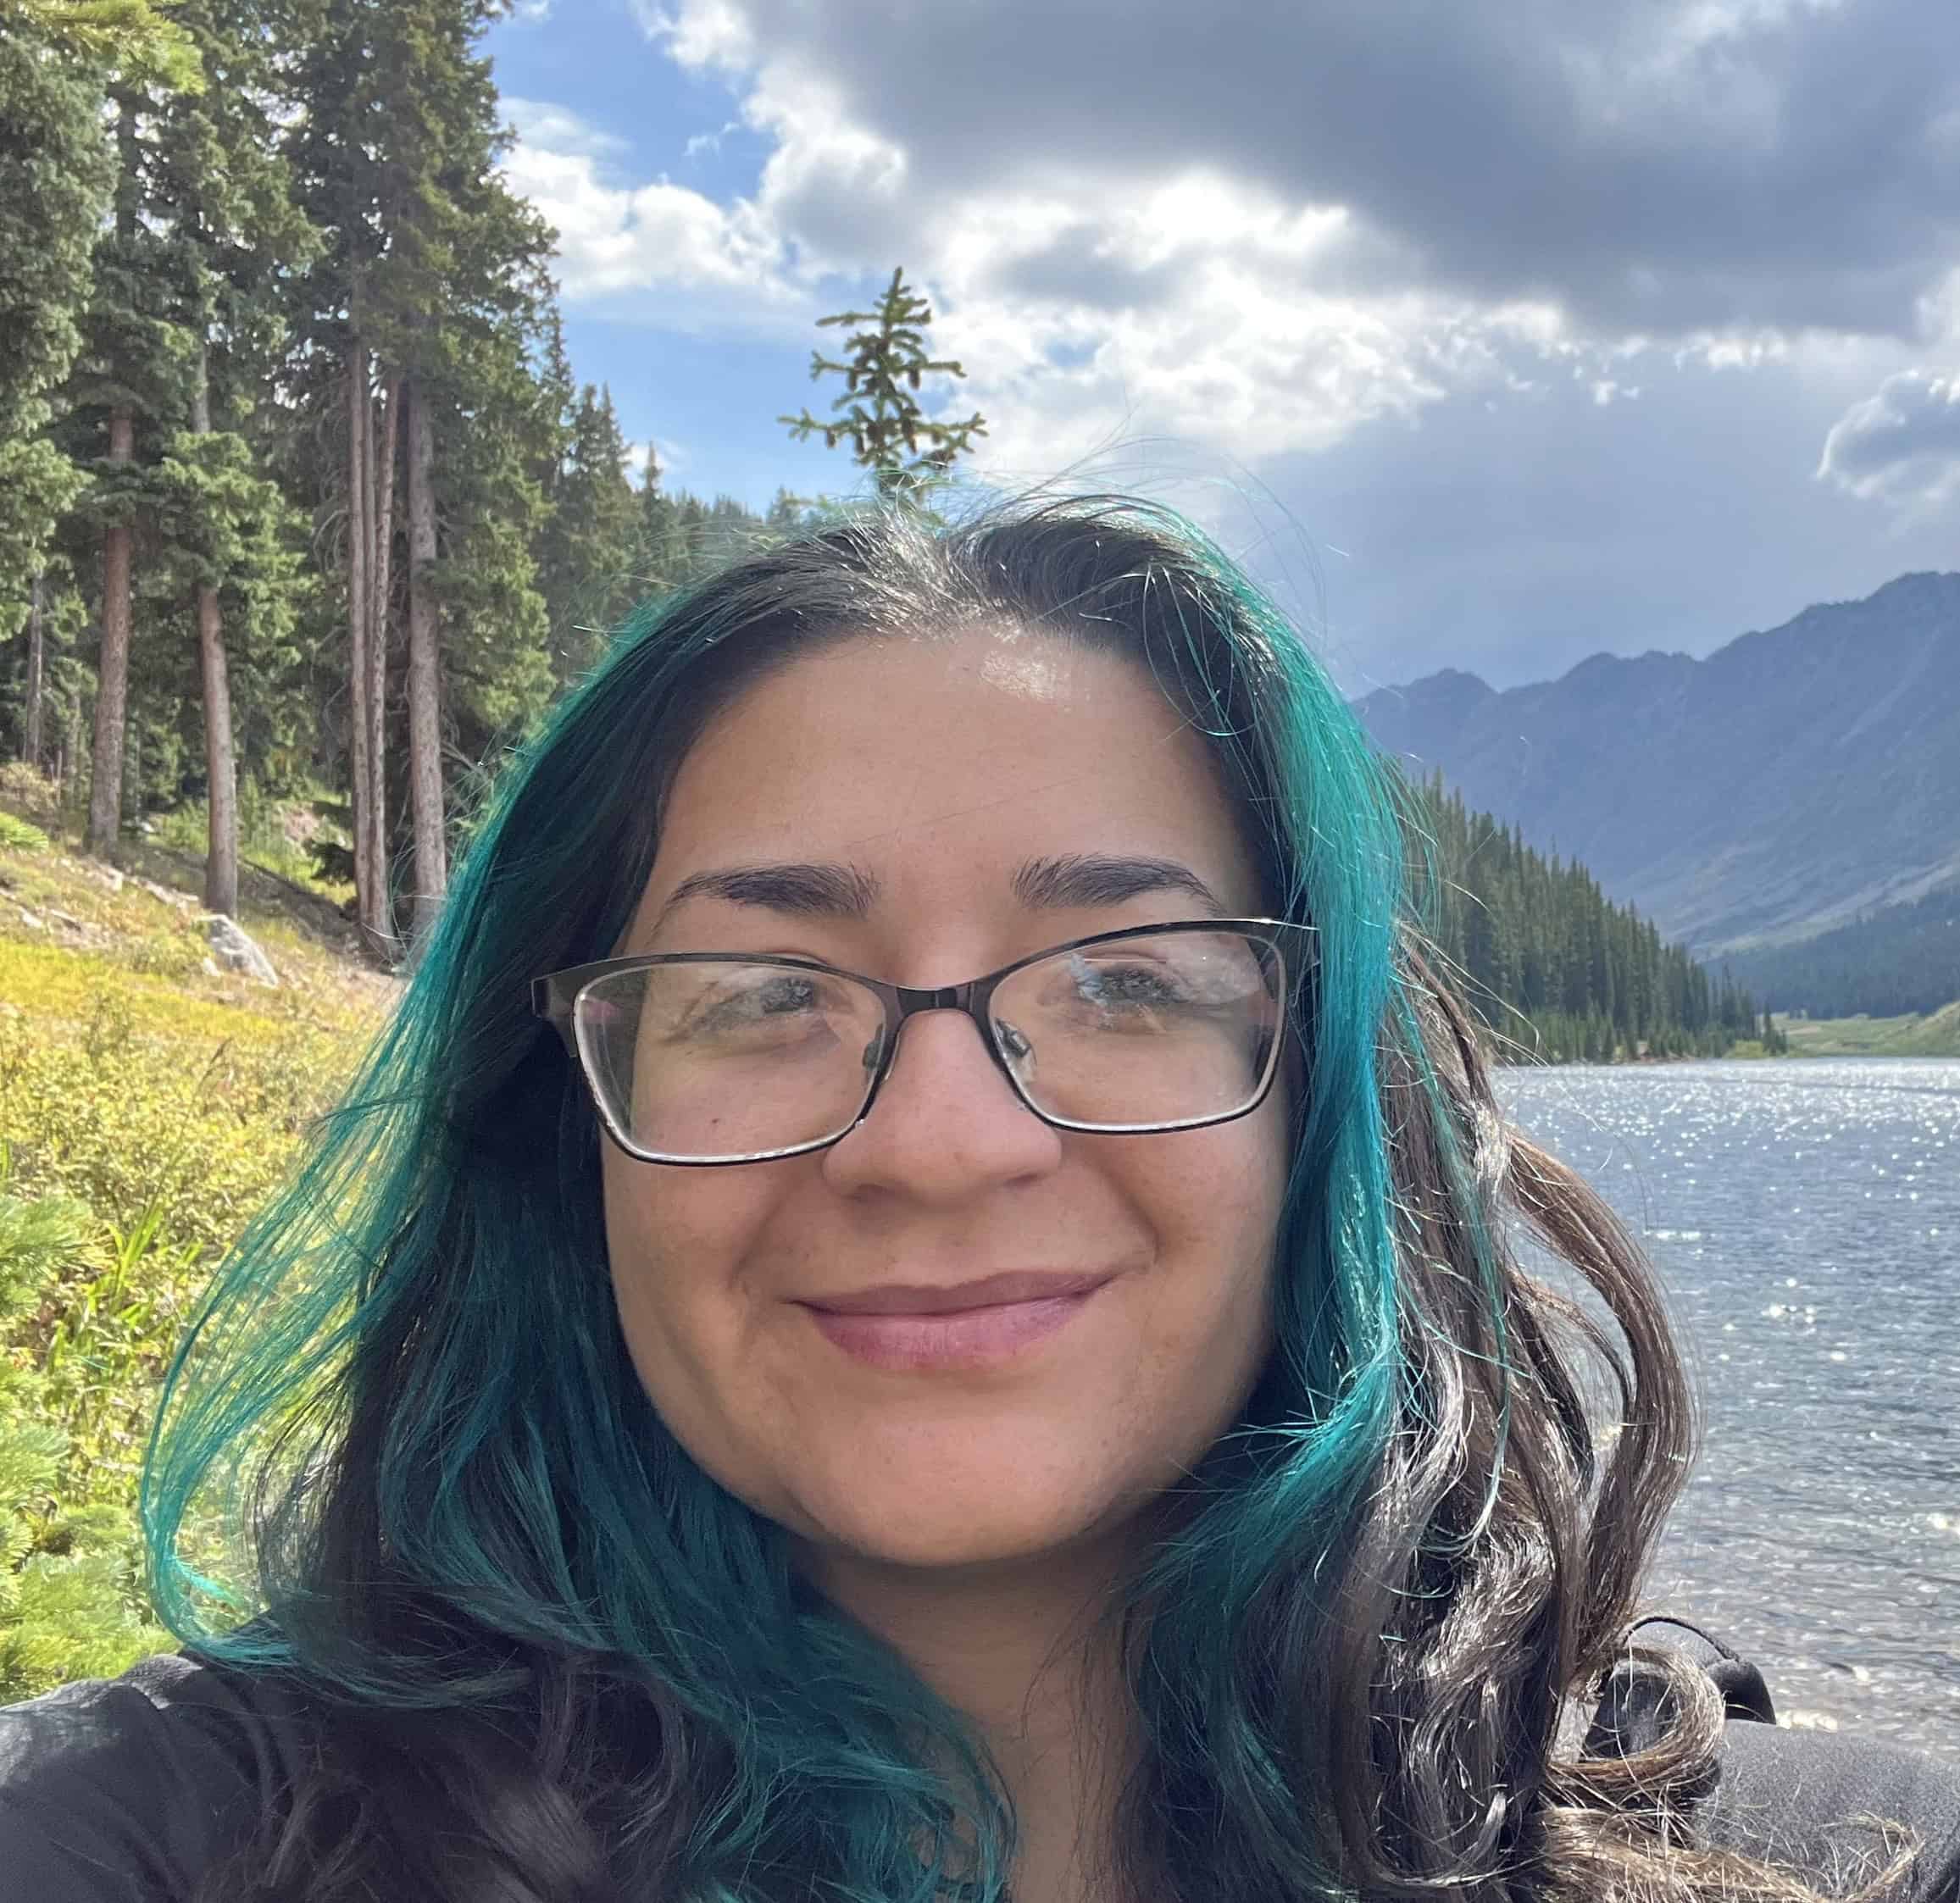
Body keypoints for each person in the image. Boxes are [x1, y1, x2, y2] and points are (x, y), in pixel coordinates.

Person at [0, 495, 1953, 1903]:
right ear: (565, 1130)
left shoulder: (1838, 1861)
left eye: (1124, 982)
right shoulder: (152, 1841)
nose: (936, 1145)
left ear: (1321, 1118)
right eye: (759, 991)